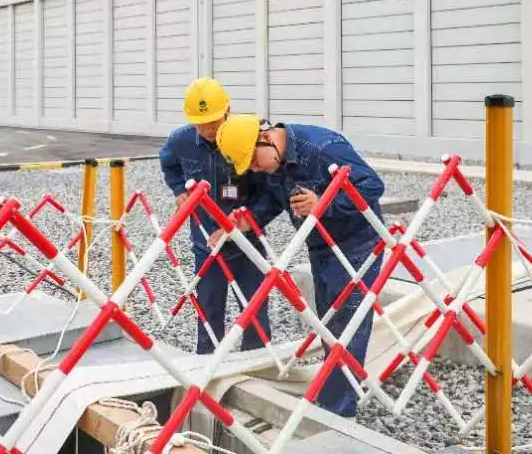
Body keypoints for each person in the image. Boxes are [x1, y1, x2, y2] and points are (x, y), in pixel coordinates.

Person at [214, 113, 385, 418]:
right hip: (321, 247)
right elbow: (271, 201)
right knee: (328, 324)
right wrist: (243, 224)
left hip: (357, 246)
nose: (254, 168)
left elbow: (371, 186)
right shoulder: (274, 163)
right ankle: (332, 399)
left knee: (347, 328)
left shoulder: (321, 148)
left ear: (264, 137)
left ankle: (337, 415)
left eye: (253, 160)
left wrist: (325, 203)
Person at [158, 78, 276, 355]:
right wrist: (179, 191)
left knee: (254, 306)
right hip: (206, 241)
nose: (208, 129)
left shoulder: (246, 137)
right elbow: (169, 165)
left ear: (228, 111)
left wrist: (248, 221)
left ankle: (257, 361)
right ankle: (207, 362)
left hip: (246, 241)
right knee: (209, 307)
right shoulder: (181, 141)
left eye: (214, 121)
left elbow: (270, 190)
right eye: (201, 124)